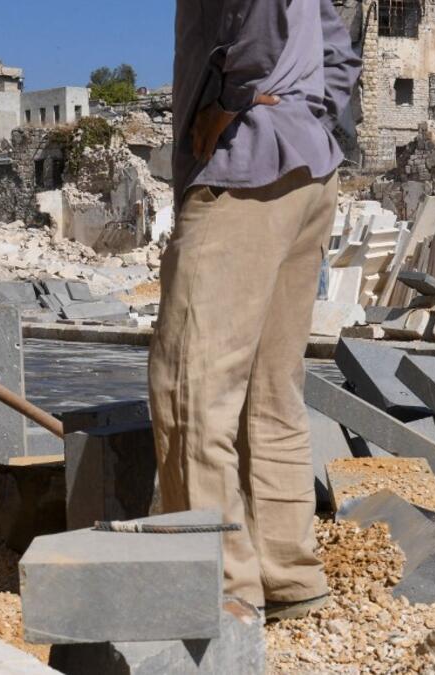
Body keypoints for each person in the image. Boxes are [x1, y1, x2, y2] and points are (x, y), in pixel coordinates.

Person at [149, 0, 361, 620]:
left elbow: (264, 25)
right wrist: (311, 117)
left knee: (190, 389)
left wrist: (234, 101)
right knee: (272, 388)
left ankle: (219, 591)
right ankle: (286, 574)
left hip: (247, 170)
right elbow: (338, 50)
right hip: (308, 167)